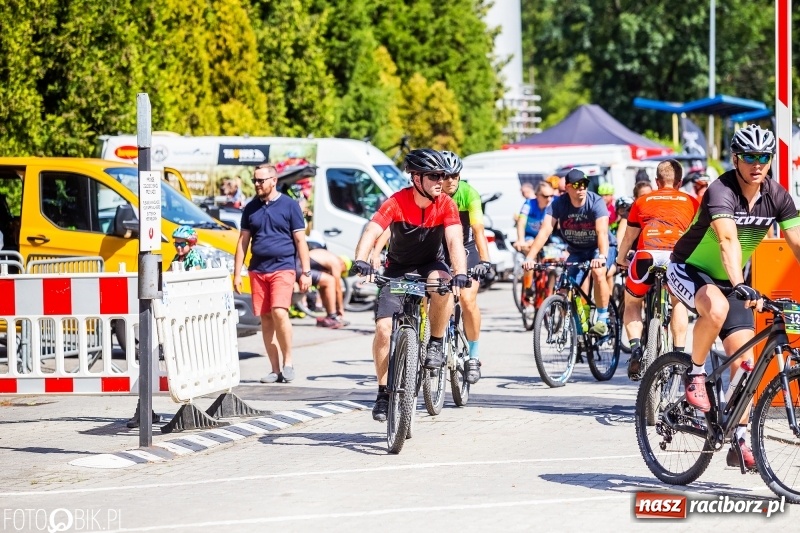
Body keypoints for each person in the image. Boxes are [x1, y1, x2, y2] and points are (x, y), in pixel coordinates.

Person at [666, 124, 800, 471]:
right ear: (736, 158)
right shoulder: (720, 190)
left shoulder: (777, 195)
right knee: (717, 305)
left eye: (764, 157)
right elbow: (727, 241)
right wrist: (741, 282)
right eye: (750, 157)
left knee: (746, 365)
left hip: (732, 281)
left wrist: (738, 282)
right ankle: (694, 373)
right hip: (689, 269)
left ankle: (738, 440)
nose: (758, 164)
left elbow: (797, 241)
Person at [351, 148, 468, 421]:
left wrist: (460, 272)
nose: (442, 180)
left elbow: (454, 241)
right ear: (416, 178)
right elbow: (372, 230)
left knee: (443, 284)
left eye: (444, 175)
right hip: (398, 269)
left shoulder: (446, 204)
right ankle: (382, 392)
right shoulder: (397, 202)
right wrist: (361, 259)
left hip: (431, 265)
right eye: (435, 175)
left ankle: (436, 344)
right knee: (383, 329)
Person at [616, 160, 698, 380]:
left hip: (646, 257)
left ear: (656, 181)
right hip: (676, 258)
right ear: (680, 182)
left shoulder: (642, 201)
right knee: (678, 301)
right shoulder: (692, 201)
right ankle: (679, 357)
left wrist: (621, 258)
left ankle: (635, 349)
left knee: (632, 302)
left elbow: (629, 237)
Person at [234, 163, 312, 385]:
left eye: (261, 180)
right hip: (257, 270)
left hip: (283, 267)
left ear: (273, 180)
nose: (257, 184)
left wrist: (305, 272)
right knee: (266, 318)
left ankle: (288, 363)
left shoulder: (290, 206)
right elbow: (243, 242)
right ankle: (274, 369)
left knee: (279, 311)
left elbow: (300, 241)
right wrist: (237, 272)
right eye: (255, 181)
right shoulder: (250, 208)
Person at [521, 168, 612, 336]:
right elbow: (545, 230)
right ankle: (579, 329)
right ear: (567, 187)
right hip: (577, 250)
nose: (582, 188)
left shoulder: (595, 202)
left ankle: (602, 319)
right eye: (577, 185)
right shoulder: (559, 204)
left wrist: (602, 256)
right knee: (564, 289)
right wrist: (530, 257)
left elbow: (602, 233)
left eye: (585, 184)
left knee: (598, 273)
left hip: (599, 248)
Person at [440, 150, 492, 383]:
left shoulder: (469, 193)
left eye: (454, 175)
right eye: (444, 175)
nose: (450, 180)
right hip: (439, 249)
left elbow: (479, 231)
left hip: (467, 247)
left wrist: (485, 260)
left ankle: (473, 356)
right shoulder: (431, 193)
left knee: (468, 300)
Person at [514, 181, 554, 253]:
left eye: (551, 196)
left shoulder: (552, 205)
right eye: (545, 196)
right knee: (528, 247)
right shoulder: (528, 204)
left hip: (546, 237)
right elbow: (521, 222)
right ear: (537, 195)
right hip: (530, 236)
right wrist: (521, 240)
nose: (549, 199)